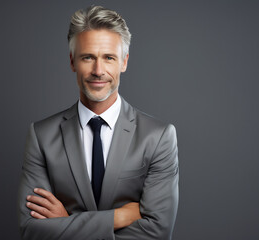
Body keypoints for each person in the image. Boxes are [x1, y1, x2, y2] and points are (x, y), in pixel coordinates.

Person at [18, 5, 179, 240]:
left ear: (124, 62)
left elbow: (157, 233)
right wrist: (118, 217)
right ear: (72, 62)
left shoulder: (158, 137)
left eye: (109, 58)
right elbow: (31, 231)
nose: (98, 70)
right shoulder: (41, 135)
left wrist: (66, 222)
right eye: (88, 57)